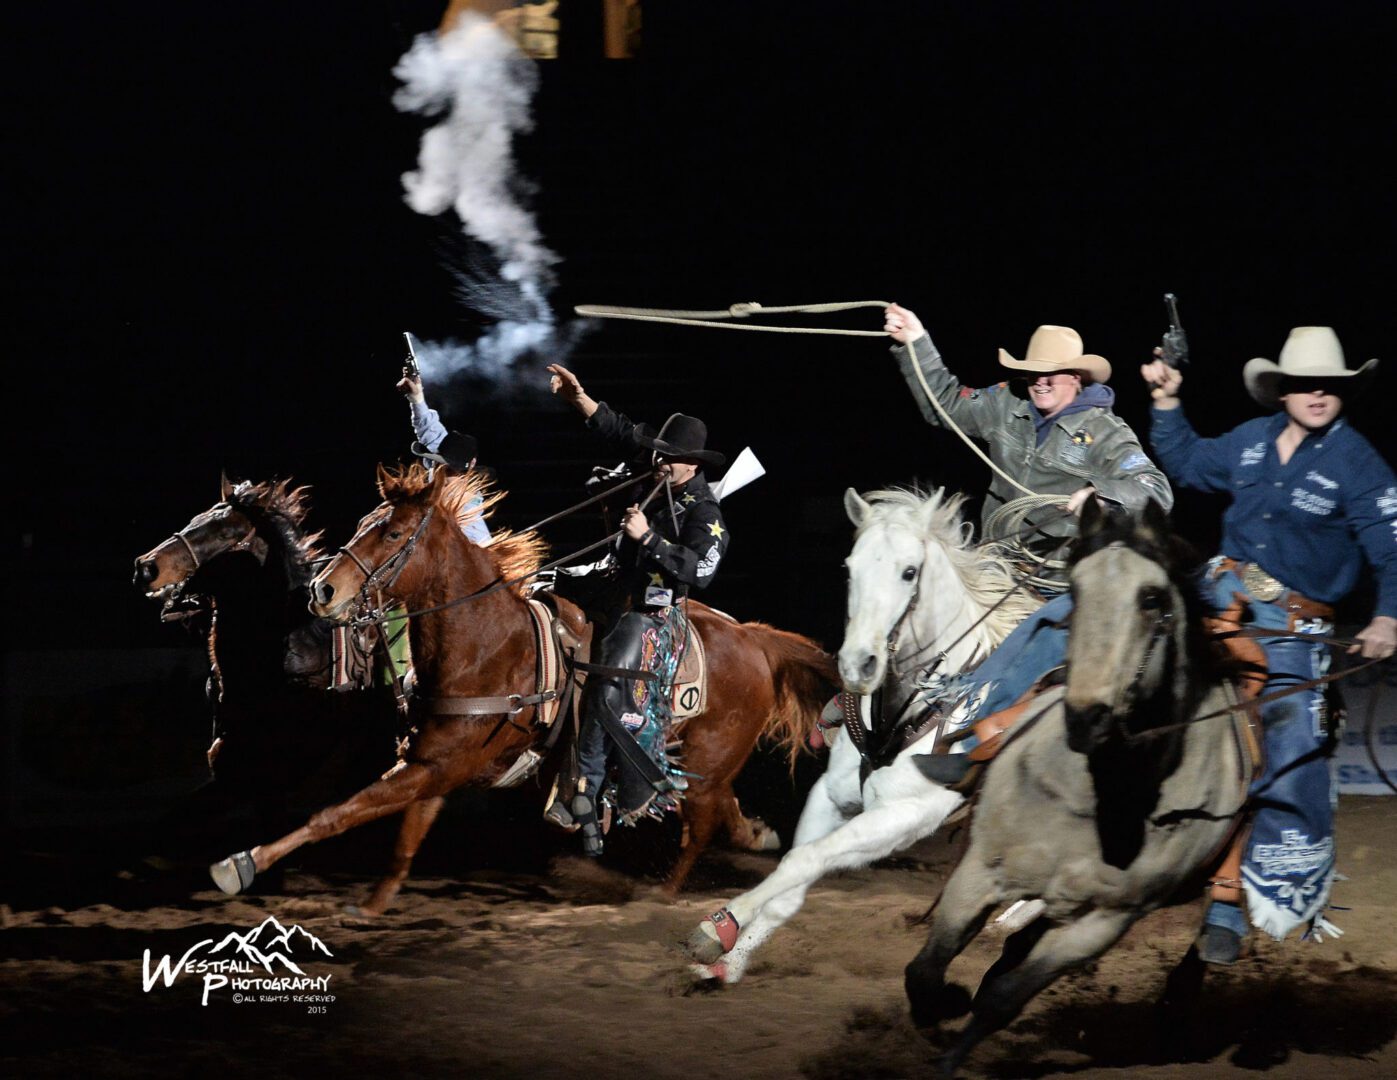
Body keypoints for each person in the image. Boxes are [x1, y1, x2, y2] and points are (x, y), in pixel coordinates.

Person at [1142, 325, 1397, 964]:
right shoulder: (1250, 441)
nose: (1316, 394)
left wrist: (1388, 617)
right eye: (1304, 384)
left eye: (1329, 386)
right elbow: (1191, 463)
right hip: (1217, 587)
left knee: (1288, 742)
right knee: (1114, 632)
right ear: (1281, 391)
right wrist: (1168, 402)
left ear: (1343, 394)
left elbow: (1393, 549)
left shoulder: (1359, 463)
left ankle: (1236, 897)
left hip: (1290, 625)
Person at [883, 304, 1173, 775]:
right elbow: (947, 404)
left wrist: (1102, 494)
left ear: (1076, 377)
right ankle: (867, 702)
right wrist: (916, 343)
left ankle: (972, 733)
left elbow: (1155, 490)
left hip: (1055, 577)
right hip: (992, 561)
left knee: (1034, 638)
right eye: (1034, 373)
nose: (1040, 382)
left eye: (1053, 374)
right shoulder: (1006, 403)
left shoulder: (1105, 434)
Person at [546, 362, 731, 855]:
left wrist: (648, 538)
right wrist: (579, 398)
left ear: (693, 465)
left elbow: (702, 570)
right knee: (541, 596)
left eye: (671, 458)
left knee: (610, 683)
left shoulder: (704, 512)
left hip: (653, 609)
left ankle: (585, 789)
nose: (660, 462)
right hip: (611, 581)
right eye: (660, 454)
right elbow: (621, 430)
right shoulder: (656, 471)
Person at [397, 369, 490, 544]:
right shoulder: (440, 455)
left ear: (469, 468)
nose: (443, 478)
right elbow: (428, 427)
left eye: (451, 471)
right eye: (442, 466)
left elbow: (481, 550)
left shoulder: (468, 517)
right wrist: (416, 396)